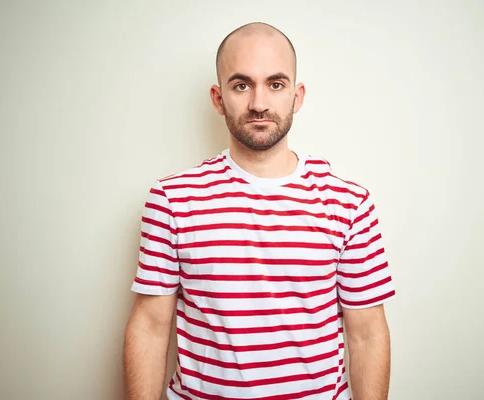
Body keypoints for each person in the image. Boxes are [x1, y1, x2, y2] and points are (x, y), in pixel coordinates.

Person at [123, 22, 396, 400]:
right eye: (241, 85)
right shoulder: (172, 199)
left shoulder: (349, 203)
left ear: (297, 96)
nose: (259, 103)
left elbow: (367, 334)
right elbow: (150, 328)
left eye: (276, 84)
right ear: (218, 99)